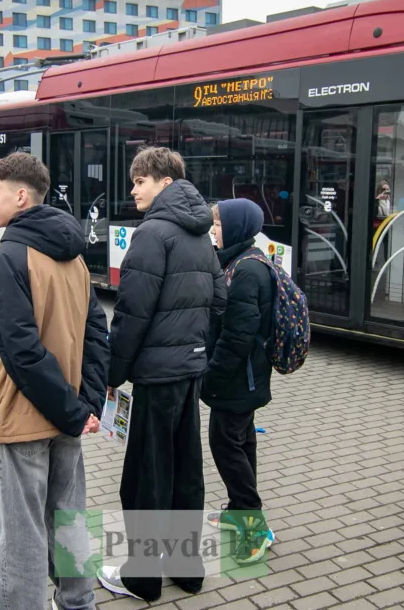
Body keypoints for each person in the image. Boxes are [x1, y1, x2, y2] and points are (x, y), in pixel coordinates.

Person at [0, 152, 109, 610]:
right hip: (69, 412)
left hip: (22, 417)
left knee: (21, 536)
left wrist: (76, 410)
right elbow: (97, 333)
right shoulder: (73, 255)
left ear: (20, 196)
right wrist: (85, 405)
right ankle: (78, 602)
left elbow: (20, 352)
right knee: (68, 519)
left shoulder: (7, 257)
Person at [99, 147, 226, 602]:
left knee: (146, 478)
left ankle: (142, 579)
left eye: (139, 181)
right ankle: (187, 570)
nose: (133, 189)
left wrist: (113, 372)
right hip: (188, 373)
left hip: (155, 377)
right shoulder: (199, 232)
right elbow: (218, 301)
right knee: (186, 472)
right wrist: (197, 352)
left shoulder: (152, 233)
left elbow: (132, 313)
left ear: (165, 182)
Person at [203, 198, 276, 565]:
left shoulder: (246, 271)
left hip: (238, 380)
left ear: (236, 226)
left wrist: (211, 376)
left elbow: (237, 337)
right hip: (246, 379)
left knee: (225, 444)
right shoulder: (243, 260)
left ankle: (253, 525)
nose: (213, 228)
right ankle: (238, 511)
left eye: (218, 223)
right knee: (242, 442)